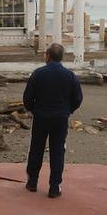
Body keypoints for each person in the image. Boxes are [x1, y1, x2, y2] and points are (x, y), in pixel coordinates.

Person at [23, 43, 83, 198]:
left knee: (36, 149)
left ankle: (32, 182)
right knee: (57, 152)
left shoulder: (38, 73)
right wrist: (68, 110)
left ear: (48, 56)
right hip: (60, 119)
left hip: (41, 117)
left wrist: (33, 109)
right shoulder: (70, 76)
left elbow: (27, 98)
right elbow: (77, 98)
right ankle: (54, 187)